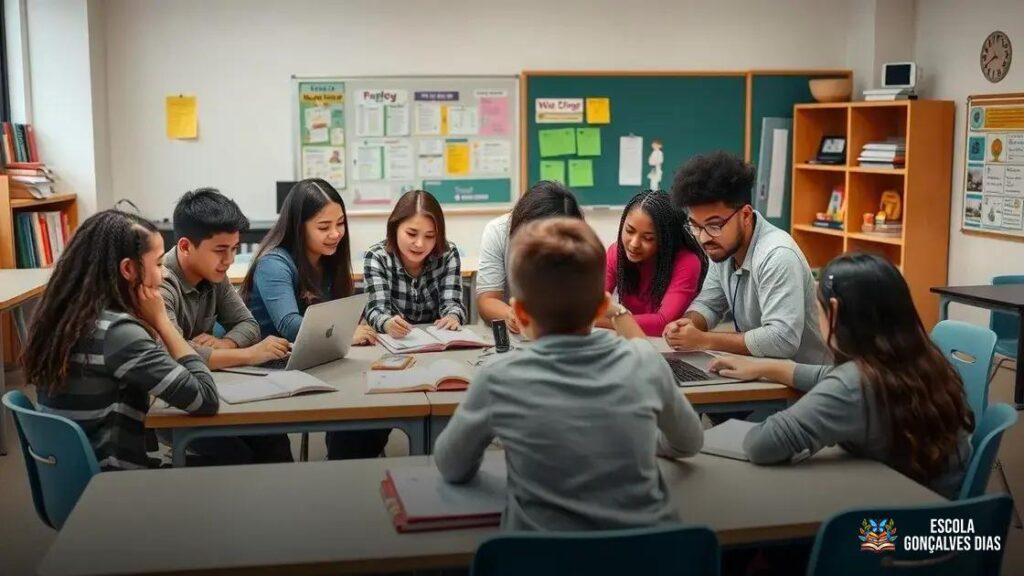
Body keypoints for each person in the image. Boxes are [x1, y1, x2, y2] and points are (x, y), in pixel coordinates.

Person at [434, 218, 704, 530]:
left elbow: (451, 465)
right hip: (651, 558)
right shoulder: (645, 360)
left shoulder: (498, 377)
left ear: (520, 314)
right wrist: (633, 439)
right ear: (602, 306)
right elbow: (689, 443)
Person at [709, 253, 974, 499]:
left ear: (833, 309)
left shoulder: (853, 385)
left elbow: (762, 445)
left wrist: (807, 418)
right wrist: (770, 368)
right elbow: (836, 377)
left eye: (818, 308)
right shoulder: (924, 358)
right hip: (936, 507)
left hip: (890, 531)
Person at [24, 210, 219, 471]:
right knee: (239, 461)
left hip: (75, 476)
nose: (163, 276)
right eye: (159, 264)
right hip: (112, 483)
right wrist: (162, 322)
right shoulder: (118, 333)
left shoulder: (64, 319)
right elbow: (205, 399)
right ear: (128, 269)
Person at [241, 178, 383, 460]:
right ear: (298, 226)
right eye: (323, 227)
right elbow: (290, 325)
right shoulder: (275, 263)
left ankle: (344, 469)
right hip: (271, 370)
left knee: (373, 413)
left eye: (340, 224)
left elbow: (336, 312)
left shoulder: (328, 259)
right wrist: (347, 333)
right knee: (358, 412)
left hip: (316, 361)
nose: (335, 234)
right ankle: (340, 469)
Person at [160, 188, 293, 464]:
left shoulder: (213, 273)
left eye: (234, 249)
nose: (229, 260)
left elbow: (248, 324)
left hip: (213, 391)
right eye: (221, 250)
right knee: (238, 456)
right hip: (172, 406)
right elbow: (176, 354)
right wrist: (249, 354)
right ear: (185, 246)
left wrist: (226, 344)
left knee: (274, 436)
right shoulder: (161, 283)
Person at [664, 151, 828, 363]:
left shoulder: (777, 255)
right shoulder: (723, 248)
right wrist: (686, 326)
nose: (703, 238)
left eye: (714, 225)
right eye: (695, 226)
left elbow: (783, 340)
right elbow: (709, 304)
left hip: (800, 385)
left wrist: (703, 340)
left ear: (746, 216)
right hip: (758, 371)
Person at [476, 180, 583, 333]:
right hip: (514, 336)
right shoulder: (498, 231)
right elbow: (487, 300)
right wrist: (510, 315)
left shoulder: (575, 238)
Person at [599, 190, 706, 336]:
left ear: (666, 240)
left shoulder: (687, 262)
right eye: (629, 231)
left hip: (671, 348)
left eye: (648, 238)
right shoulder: (616, 253)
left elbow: (663, 322)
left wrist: (597, 320)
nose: (634, 244)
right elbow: (594, 302)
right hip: (632, 340)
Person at [363, 189, 466, 337]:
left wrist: (452, 317)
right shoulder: (377, 257)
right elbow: (376, 311)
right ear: (395, 228)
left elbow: (453, 304)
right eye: (411, 234)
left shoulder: (447, 254)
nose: (420, 244)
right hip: (395, 342)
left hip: (437, 339)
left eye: (430, 236)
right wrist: (387, 323)